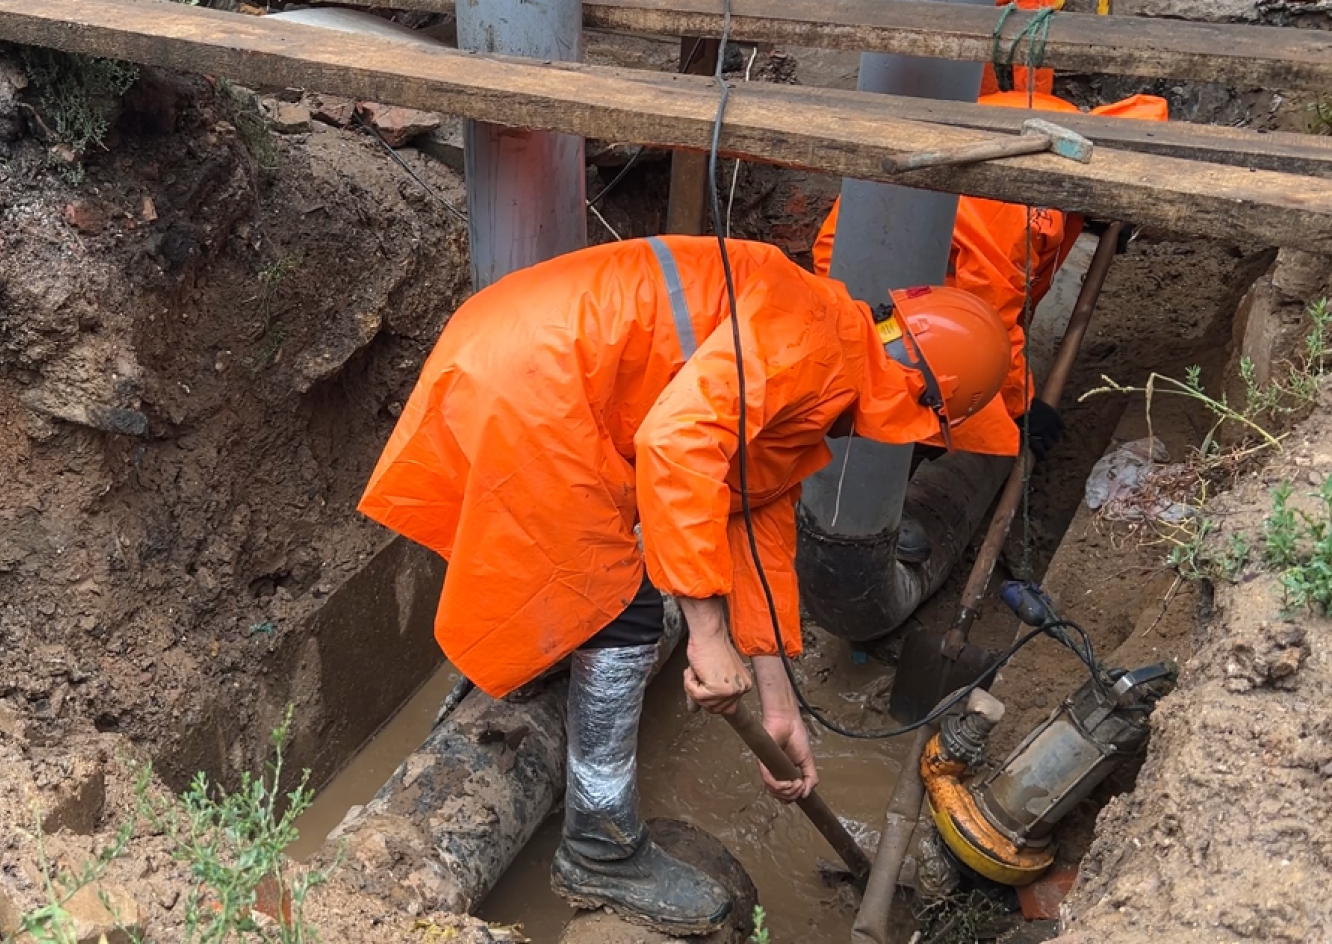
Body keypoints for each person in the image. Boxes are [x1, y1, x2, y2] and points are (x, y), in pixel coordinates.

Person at [359, 236, 1010, 934]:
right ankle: (598, 850)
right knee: (622, 608)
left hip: (515, 351)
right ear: (917, 396)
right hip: (536, 382)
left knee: (557, 575)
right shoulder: (814, 351)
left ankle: (525, 681)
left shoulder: (831, 338)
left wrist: (776, 695)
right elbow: (677, 448)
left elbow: (753, 509)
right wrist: (703, 636)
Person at [813, 88, 1169, 462]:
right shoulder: (1021, 211)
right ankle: (902, 464)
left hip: (878, 243)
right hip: (875, 275)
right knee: (917, 387)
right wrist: (1021, 407)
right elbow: (989, 314)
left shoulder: (1058, 119)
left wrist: (1099, 217)